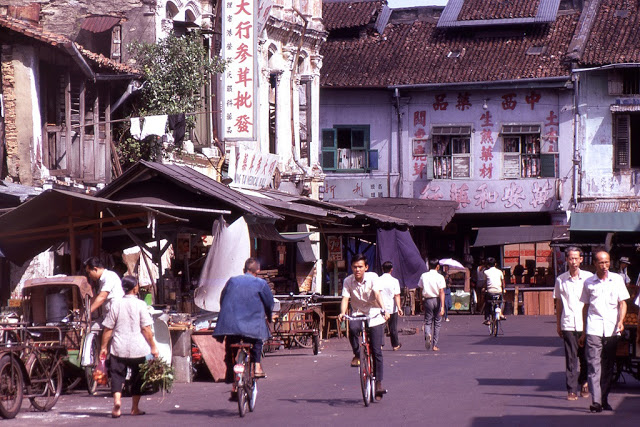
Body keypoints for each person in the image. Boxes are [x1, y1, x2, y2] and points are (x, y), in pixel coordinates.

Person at [213, 257, 274, 397]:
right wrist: (269, 317)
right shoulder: (261, 283)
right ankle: (257, 365)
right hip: (252, 326)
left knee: (230, 345)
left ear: (244, 269)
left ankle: (231, 373)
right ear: (258, 271)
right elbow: (269, 303)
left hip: (231, 325)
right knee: (257, 340)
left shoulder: (232, 281)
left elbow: (223, 299)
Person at [100, 275, 159, 418]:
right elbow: (146, 328)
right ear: (135, 288)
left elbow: (108, 328)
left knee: (117, 376)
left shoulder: (116, 304)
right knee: (137, 378)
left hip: (118, 347)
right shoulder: (141, 305)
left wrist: (103, 347)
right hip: (138, 349)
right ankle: (134, 408)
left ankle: (117, 403)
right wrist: (153, 346)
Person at [579, 250, 629, 413]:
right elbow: (585, 307)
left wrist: (621, 321)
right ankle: (596, 401)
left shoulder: (617, 280)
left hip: (612, 329)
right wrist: (584, 331)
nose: (605, 265)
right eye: (601, 262)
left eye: (607, 262)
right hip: (593, 328)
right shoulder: (588, 282)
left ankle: (604, 398)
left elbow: (622, 303)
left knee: (608, 366)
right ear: (595, 263)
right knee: (594, 365)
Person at [338, 254, 389, 400]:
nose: (357, 270)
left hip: (374, 313)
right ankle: (357, 354)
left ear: (366, 267)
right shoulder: (348, 281)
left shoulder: (373, 277)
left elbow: (377, 294)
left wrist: (384, 309)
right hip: (358, 312)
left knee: (377, 350)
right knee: (353, 329)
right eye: (355, 267)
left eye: (360, 267)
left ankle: (378, 384)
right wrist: (342, 312)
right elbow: (345, 298)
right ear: (351, 268)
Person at [553, 247, 592, 401]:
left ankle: (584, 382)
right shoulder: (560, 280)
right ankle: (571, 389)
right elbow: (559, 303)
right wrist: (558, 324)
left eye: (576, 258)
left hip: (586, 324)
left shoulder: (589, 278)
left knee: (585, 357)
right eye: (571, 258)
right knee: (571, 358)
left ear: (581, 259)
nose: (574, 262)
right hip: (568, 323)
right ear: (567, 260)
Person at [417, 258, 446, 351]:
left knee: (428, 321)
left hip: (427, 300)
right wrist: (442, 306)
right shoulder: (440, 277)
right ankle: (434, 345)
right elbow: (441, 292)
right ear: (438, 266)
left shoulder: (423, 276)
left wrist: (421, 302)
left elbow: (420, 290)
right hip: (437, 300)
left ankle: (427, 334)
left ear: (429, 266)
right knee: (437, 322)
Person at [376, 261, 403, 351]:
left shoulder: (378, 280)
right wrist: (399, 308)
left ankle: (380, 344)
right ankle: (395, 345)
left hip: (381, 307)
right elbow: (397, 295)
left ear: (382, 269)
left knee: (381, 326)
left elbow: (376, 293)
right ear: (392, 269)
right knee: (393, 328)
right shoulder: (395, 281)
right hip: (392, 307)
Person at [483, 257, 506, 325]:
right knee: (502, 301)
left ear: (488, 265)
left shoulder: (486, 272)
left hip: (490, 292)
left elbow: (485, 283)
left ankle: (487, 319)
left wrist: (483, 289)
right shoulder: (500, 272)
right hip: (499, 291)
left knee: (487, 303)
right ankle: (501, 313)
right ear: (495, 264)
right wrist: (503, 289)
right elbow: (503, 283)